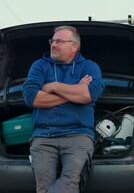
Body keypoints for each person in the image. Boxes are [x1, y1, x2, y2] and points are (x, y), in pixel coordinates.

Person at [22, 25, 105, 193]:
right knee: (44, 185)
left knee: (69, 182)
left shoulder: (89, 67)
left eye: (59, 41)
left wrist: (54, 86)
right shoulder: (39, 66)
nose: (53, 45)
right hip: (44, 136)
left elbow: (89, 94)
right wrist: (74, 90)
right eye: (52, 41)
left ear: (74, 46)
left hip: (79, 135)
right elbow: (32, 97)